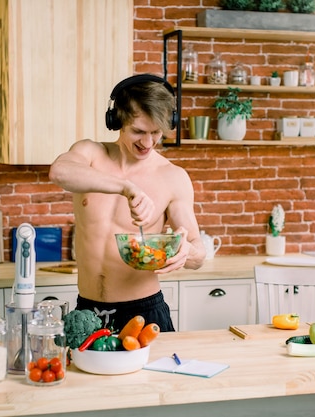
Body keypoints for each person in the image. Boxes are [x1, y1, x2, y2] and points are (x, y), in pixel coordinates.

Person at [49, 74, 206, 332]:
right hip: (86, 312)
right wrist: (126, 187)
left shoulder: (173, 177)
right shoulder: (90, 154)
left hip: (144, 312)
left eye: (156, 133)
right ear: (117, 121)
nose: (147, 143)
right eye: (139, 131)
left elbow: (198, 250)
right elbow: (59, 172)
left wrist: (187, 252)